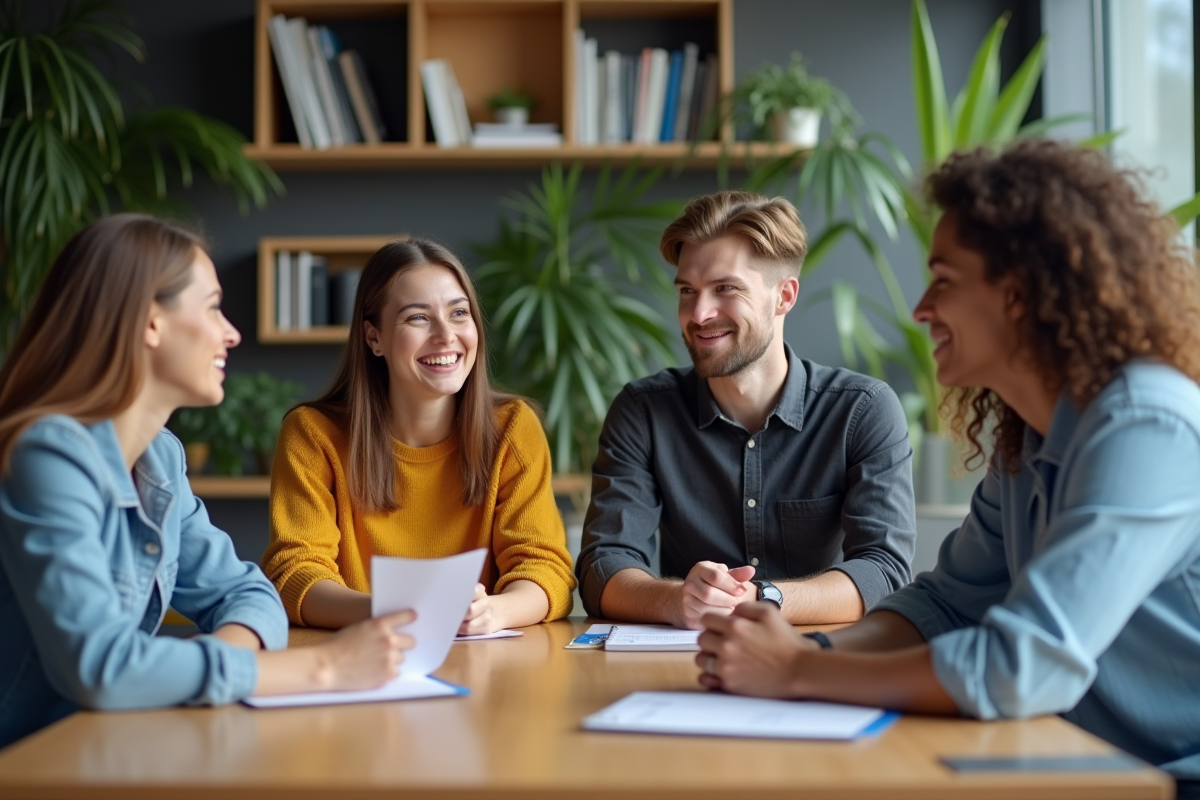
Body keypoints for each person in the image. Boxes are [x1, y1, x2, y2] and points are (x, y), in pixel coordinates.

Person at [695, 140, 1200, 795]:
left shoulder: (1148, 427)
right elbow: (945, 604)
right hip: (1072, 760)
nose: (921, 307)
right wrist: (812, 652)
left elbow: (1022, 665)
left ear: (1019, 292)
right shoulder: (1027, 438)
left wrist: (794, 672)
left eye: (946, 280)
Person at [0, 215, 417, 749]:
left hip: (102, 748)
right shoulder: (47, 457)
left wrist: (219, 662)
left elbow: (248, 591)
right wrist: (325, 669)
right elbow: (101, 667)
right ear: (151, 322)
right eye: (213, 306)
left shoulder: (160, 459)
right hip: (26, 759)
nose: (231, 332)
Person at [575, 191, 916, 629]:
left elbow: (883, 571)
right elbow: (603, 566)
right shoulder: (643, 411)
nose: (698, 314)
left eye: (726, 289)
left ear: (784, 296)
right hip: (685, 667)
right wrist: (678, 599)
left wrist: (761, 599)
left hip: (817, 663)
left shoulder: (861, 411)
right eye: (687, 291)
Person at [263, 238, 575, 635]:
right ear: (373, 337)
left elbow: (545, 568)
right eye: (418, 318)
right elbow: (295, 573)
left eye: (459, 313)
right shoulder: (312, 435)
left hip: (487, 659)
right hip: (360, 661)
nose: (446, 336)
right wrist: (391, 613)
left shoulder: (513, 428)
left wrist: (494, 612)